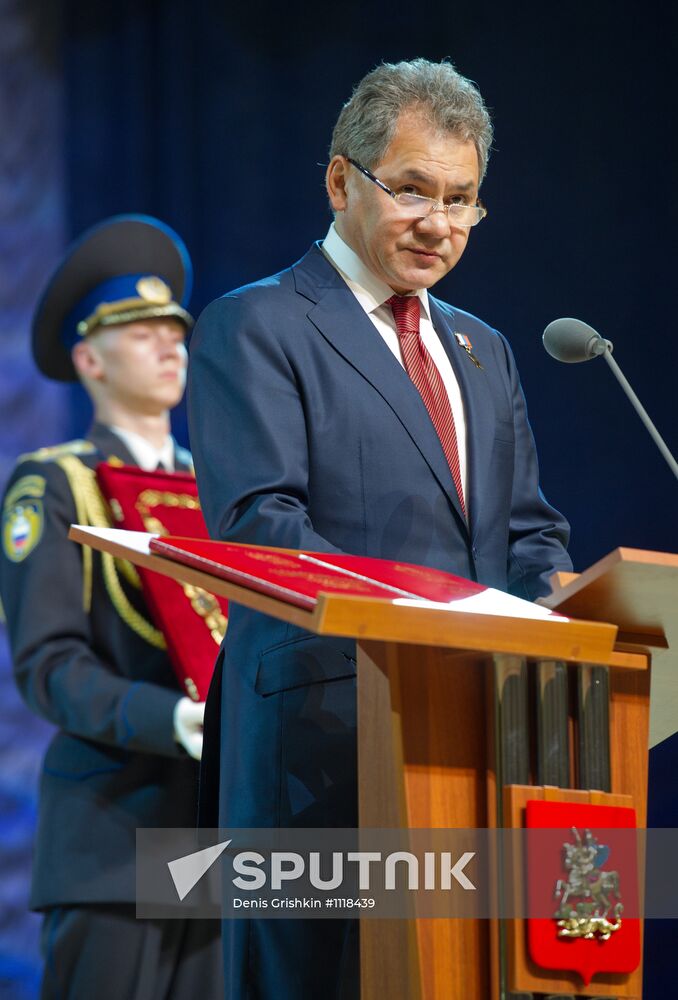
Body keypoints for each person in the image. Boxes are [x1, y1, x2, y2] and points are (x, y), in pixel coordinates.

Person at [188, 59, 572, 999]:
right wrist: (435, 628)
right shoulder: (258, 325)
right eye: (410, 190)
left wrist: (563, 602)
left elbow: (526, 529)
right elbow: (262, 526)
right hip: (320, 750)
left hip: (481, 745)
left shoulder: (484, 351)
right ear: (339, 181)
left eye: (463, 200)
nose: (438, 224)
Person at [0, 215, 223, 999]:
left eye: (176, 330)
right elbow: (50, 665)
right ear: (89, 357)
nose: (171, 345)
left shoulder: (219, 494)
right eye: (142, 331)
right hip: (114, 835)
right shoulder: (57, 484)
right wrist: (174, 719)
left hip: (215, 840)